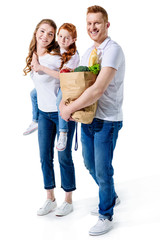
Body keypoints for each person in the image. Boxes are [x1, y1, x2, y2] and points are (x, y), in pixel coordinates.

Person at [59, 5, 125, 235]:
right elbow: (74, 85)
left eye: (97, 23)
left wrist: (69, 111)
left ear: (107, 25)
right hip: (88, 118)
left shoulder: (113, 50)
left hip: (107, 120)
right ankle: (111, 195)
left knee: (103, 169)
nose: (92, 27)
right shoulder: (87, 53)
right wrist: (63, 103)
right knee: (90, 164)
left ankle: (106, 213)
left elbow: (97, 89)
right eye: (89, 23)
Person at [23, 19, 78, 217]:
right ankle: (50, 198)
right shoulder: (34, 55)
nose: (45, 36)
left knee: (64, 157)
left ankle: (68, 201)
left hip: (62, 113)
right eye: (43, 31)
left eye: (50, 34)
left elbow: (66, 78)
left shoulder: (56, 57)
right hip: (44, 114)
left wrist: (41, 68)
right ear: (36, 31)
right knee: (45, 157)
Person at [23, 24, 79, 153]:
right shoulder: (57, 50)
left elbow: (64, 77)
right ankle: (35, 120)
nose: (62, 40)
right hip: (45, 110)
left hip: (68, 86)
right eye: (60, 36)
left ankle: (63, 132)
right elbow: (38, 52)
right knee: (33, 94)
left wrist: (41, 68)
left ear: (73, 40)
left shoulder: (73, 55)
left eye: (66, 38)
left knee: (60, 101)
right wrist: (35, 57)